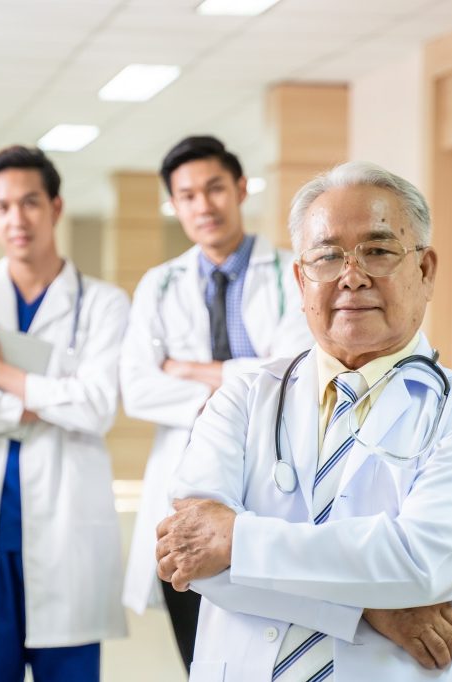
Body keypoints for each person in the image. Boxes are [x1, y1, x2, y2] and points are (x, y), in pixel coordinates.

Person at [155, 161, 452, 681]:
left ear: (425, 271)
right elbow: (194, 556)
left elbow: (420, 564)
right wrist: (369, 607)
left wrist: (237, 539)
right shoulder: (241, 398)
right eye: (327, 256)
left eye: (377, 251)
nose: (352, 276)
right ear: (301, 279)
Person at [0, 146, 129, 682]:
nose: (17, 218)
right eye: (2, 206)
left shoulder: (103, 304)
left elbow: (98, 407)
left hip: (67, 529)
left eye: (30, 202)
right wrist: (52, 400)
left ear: (55, 207)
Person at [120, 135, 313, 671]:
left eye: (214, 189)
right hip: (187, 485)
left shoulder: (293, 272)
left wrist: (187, 371)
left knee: (273, 647)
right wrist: (248, 377)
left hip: (273, 479)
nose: (203, 206)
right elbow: (137, 388)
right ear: (174, 205)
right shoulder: (158, 286)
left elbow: (295, 372)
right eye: (186, 196)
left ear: (241, 189)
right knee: (199, 655)